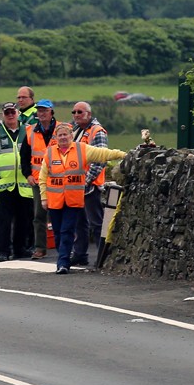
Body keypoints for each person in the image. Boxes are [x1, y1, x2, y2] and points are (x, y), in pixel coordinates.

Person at [38, 123, 128, 274]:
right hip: (55, 201)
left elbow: (103, 154)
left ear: (71, 136)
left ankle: (63, 263)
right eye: (60, 135)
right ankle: (63, 257)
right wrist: (43, 198)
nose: (63, 138)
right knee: (59, 233)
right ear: (56, 138)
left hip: (73, 201)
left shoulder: (82, 149)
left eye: (65, 134)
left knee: (67, 230)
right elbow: (43, 177)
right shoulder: (50, 153)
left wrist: (123, 155)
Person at [0, 102, 34, 261]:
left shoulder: (28, 130)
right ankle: (3, 251)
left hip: (24, 184)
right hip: (4, 185)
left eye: (12, 112)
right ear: (3, 115)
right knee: (3, 220)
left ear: (17, 113)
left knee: (23, 219)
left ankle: (19, 249)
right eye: (7, 113)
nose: (10, 115)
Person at [20, 99, 65, 260]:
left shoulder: (62, 129)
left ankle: (63, 248)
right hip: (39, 181)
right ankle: (40, 248)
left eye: (44, 110)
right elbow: (24, 157)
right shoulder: (30, 131)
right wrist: (28, 175)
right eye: (39, 110)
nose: (41, 113)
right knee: (39, 215)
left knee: (59, 214)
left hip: (60, 180)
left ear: (52, 112)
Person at [71, 100, 109, 266]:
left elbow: (100, 159)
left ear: (89, 114)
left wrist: (86, 181)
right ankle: (80, 254)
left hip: (90, 185)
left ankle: (102, 258)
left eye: (80, 112)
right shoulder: (76, 130)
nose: (76, 115)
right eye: (74, 112)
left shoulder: (97, 131)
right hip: (77, 185)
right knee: (80, 223)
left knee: (96, 223)